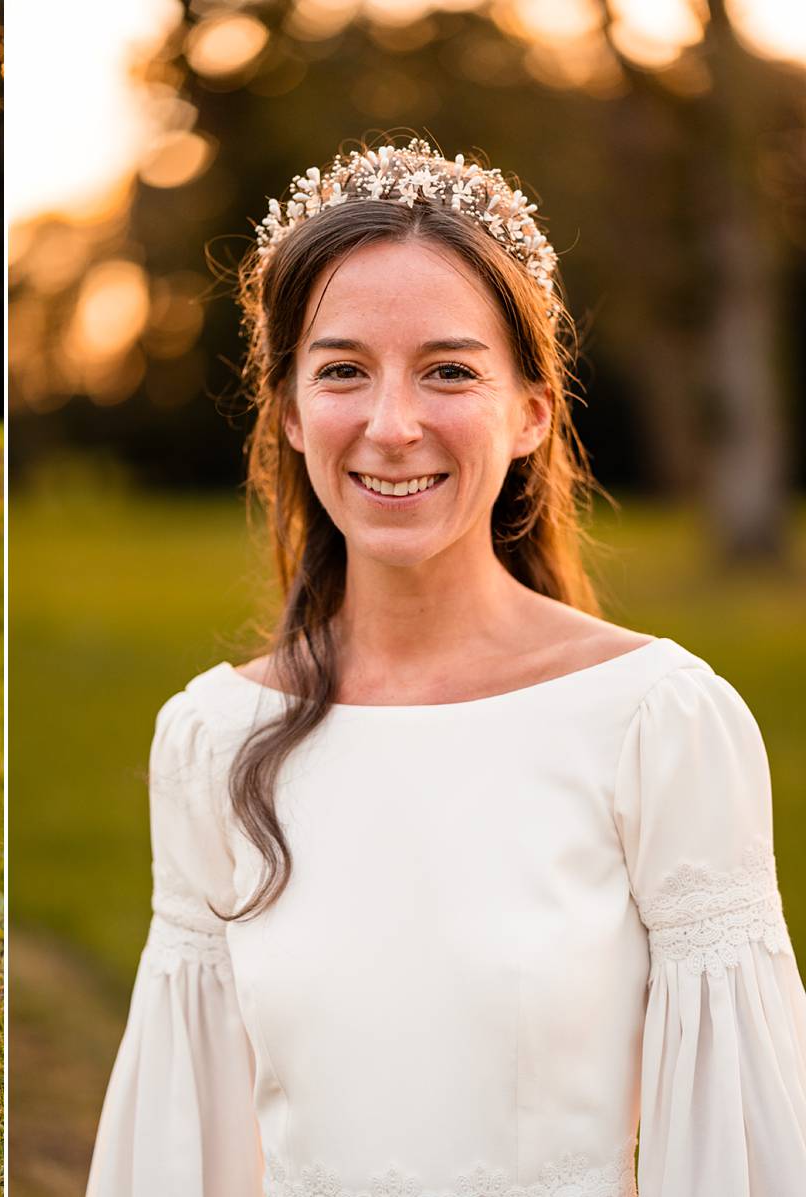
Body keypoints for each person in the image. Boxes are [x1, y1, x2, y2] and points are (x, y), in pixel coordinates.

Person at [84, 139, 806, 1196]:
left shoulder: (656, 723)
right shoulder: (209, 741)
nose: (390, 425)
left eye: (448, 370)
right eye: (341, 370)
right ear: (286, 412)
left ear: (528, 413)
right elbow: (183, 1142)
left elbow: (739, 1140)